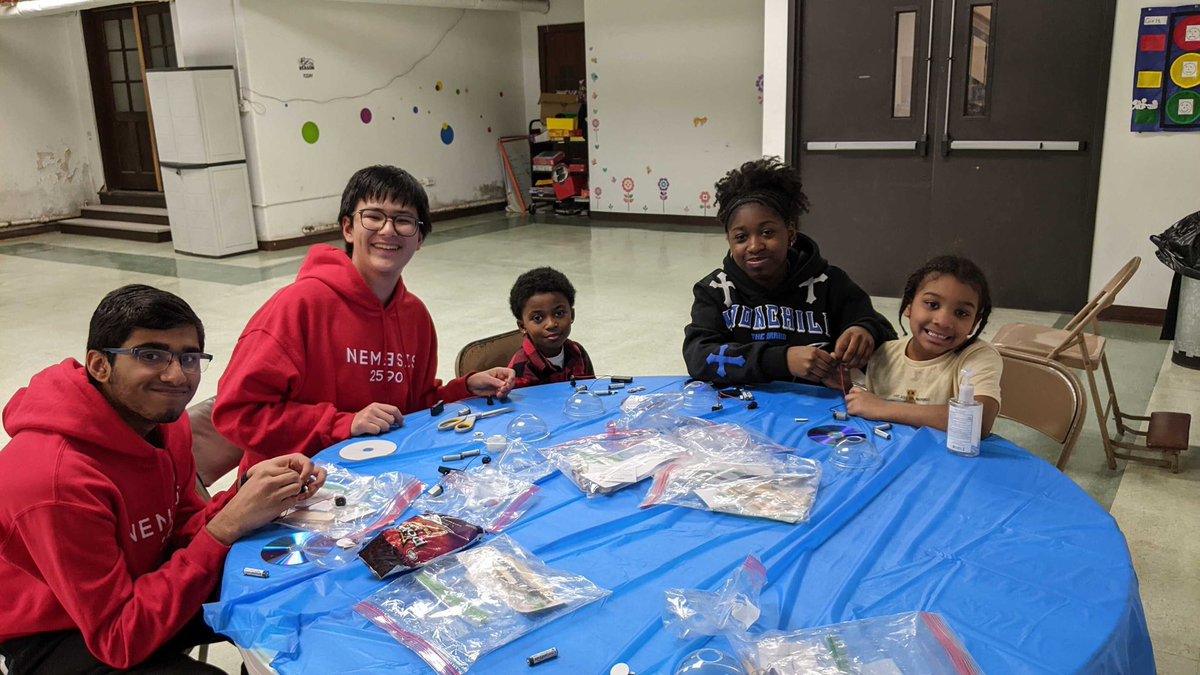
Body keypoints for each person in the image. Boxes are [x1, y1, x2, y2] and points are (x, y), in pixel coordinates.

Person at [0, 284, 325, 674]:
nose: (176, 376)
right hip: (63, 631)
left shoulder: (163, 425)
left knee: (300, 590)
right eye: (150, 355)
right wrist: (225, 526)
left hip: (143, 584)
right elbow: (119, 638)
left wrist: (246, 492)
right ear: (99, 365)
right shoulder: (54, 481)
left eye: (188, 357)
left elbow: (182, 529)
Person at [213, 165, 515, 470]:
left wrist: (464, 389)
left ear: (419, 238)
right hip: (295, 485)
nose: (388, 230)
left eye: (404, 220)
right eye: (373, 216)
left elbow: (413, 408)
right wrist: (343, 424)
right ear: (348, 228)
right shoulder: (298, 306)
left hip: (383, 477)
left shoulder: (415, 316)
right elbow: (238, 413)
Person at [683, 157, 895, 385]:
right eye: (741, 237)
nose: (754, 246)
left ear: (791, 234)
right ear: (730, 241)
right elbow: (699, 357)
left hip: (817, 410)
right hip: (741, 409)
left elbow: (883, 333)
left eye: (767, 233)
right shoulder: (714, 291)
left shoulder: (830, 282)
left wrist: (863, 331)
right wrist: (781, 360)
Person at [842, 255, 1003, 434]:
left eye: (961, 313)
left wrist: (883, 407)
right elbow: (865, 406)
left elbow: (977, 422)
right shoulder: (884, 354)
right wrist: (840, 381)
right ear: (909, 306)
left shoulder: (977, 355)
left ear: (974, 323)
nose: (943, 321)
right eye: (932, 304)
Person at [507, 267, 594, 388]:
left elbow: (590, 392)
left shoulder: (577, 352)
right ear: (522, 326)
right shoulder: (521, 367)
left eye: (559, 313)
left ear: (572, 315)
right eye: (538, 318)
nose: (551, 324)